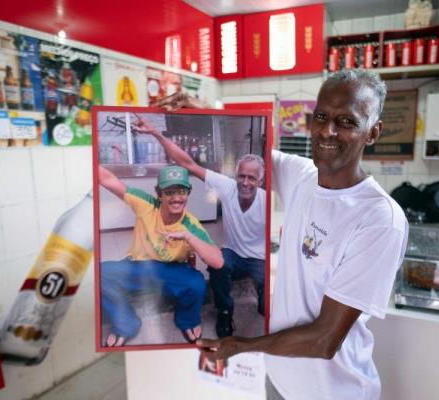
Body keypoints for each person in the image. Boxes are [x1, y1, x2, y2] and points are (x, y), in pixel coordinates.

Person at [159, 69, 408, 400]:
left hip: (332, 392)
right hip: (279, 379)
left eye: (346, 121)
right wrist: (200, 109)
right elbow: (242, 163)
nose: (328, 131)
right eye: (321, 116)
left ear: (373, 132)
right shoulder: (303, 176)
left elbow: (324, 340)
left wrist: (242, 346)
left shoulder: (378, 218)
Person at [133, 114, 266, 338]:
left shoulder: (267, 200)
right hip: (232, 252)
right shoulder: (227, 187)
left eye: (252, 178)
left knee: (266, 306)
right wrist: (156, 133)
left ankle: (266, 299)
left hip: (259, 258)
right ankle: (225, 312)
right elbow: (187, 163)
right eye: (241, 176)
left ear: (260, 181)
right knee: (217, 265)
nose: (245, 182)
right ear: (235, 175)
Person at [98, 164, 223, 346]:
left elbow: (218, 261)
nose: (176, 198)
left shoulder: (191, 225)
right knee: (99, 273)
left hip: (171, 272)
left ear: (188, 193)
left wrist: (188, 236)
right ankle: (126, 323)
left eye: (181, 191)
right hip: (137, 266)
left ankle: (187, 320)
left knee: (196, 283)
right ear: (159, 193)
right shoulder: (146, 204)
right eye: (169, 192)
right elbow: (107, 179)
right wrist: (85, 155)